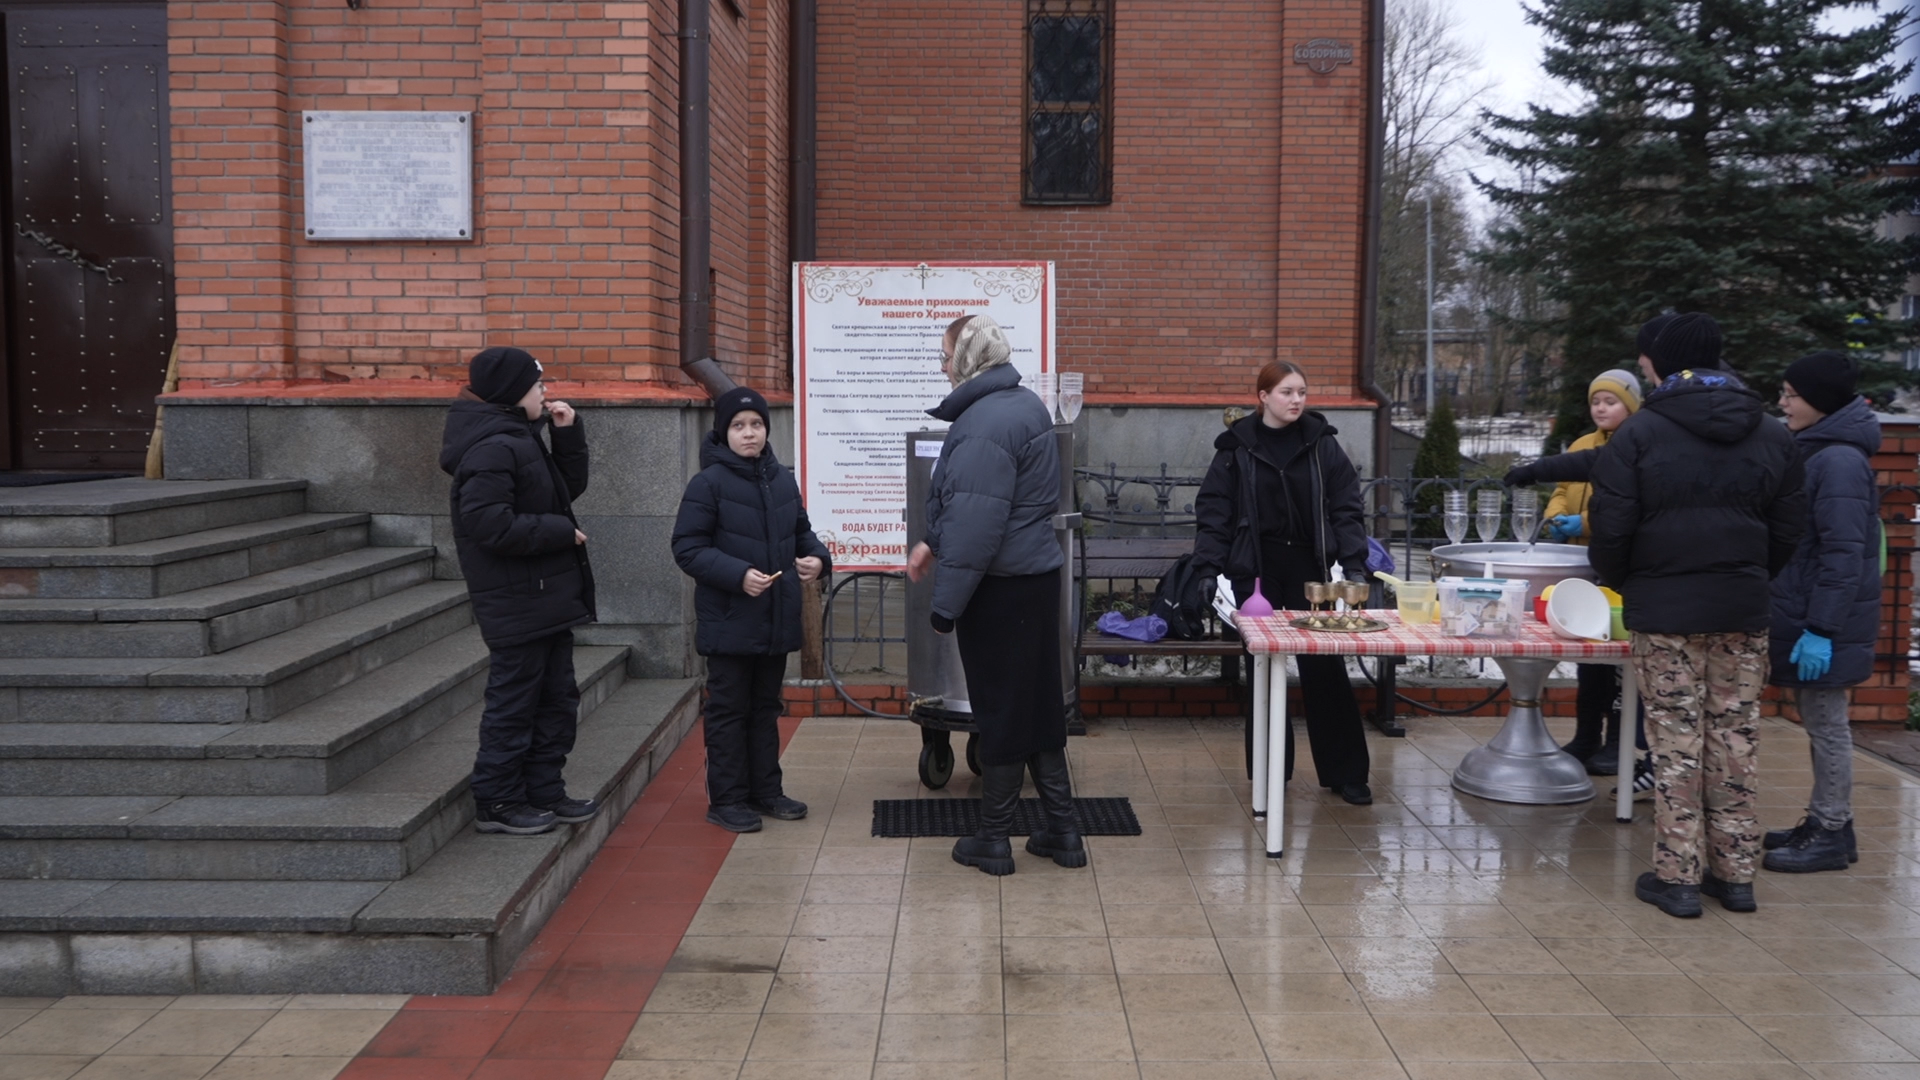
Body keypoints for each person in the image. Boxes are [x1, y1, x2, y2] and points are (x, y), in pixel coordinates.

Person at [1586, 313, 1805, 918]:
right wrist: (1749, 577)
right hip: (1742, 608)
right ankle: (1735, 875)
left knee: (1676, 742)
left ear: (1658, 361)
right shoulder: (1771, 433)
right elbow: (1789, 531)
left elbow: (1611, 527)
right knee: (1735, 739)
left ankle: (1677, 877)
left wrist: (1628, 583)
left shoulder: (1640, 434)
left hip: (1665, 613)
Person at [906, 314, 1081, 876]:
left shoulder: (984, 421)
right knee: (1037, 707)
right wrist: (934, 540)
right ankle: (1063, 832)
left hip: (999, 590)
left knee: (1003, 712)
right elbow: (976, 504)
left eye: (945, 353)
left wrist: (944, 606)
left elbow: (977, 525)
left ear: (968, 357)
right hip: (1032, 581)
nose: (940, 363)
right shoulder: (1022, 403)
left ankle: (994, 839)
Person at [1193, 360, 1374, 805]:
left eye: (1301, 392)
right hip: (1255, 572)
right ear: (1263, 397)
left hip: (1310, 570)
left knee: (1324, 666)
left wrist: (1354, 566)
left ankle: (1345, 772)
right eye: (1287, 392)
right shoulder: (1236, 449)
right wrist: (1205, 568)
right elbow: (1214, 513)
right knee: (1264, 670)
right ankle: (1273, 774)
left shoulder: (1321, 445)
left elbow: (1346, 508)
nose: (1296, 400)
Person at [440, 346, 599, 836]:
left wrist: (566, 434)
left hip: (543, 594)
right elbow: (488, 524)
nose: (545, 391)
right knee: (516, 703)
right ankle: (498, 800)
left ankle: (543, 789)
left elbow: (561, 491)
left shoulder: (518, 437)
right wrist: (557, 532)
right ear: (512, 393)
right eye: (537, 385)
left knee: (555, 699)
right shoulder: (492, 447)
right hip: (516, 598)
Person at [672, 387, 831, 833]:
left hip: (774, 620)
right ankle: (726, 800)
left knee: (765, 708)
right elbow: (687, 548)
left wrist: (817, 559)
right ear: (724, 432)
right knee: (728, 710)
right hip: (729, 620)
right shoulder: (708, 484)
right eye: (739, 426)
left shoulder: (781, 478)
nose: (749, 434)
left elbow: (803, 532)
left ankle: (766, 791)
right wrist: (738, 574)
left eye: (756, 425)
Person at [1762, 351, 1879, 874]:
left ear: (1820, 401)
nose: (1783, 402)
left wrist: (1821, 629)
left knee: (1828, 724)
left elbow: (1842, 552)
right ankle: (1830, 821)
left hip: (1826, 621)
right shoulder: (1821, 451)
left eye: (1791, 394)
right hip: (1815, 615)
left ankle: (1831, 829)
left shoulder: (1839, 461)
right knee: (1819, 721)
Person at [1540, 368, 1643, 777]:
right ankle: (1586, 736)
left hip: (1620, 567)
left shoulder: (1637, 446)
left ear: (1630, 405)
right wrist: (1556, 516)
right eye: (1596, 401)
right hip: (1582, 567)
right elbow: (1562, 488)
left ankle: (1617, 742)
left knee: (1615, 658)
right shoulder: (1583, 444)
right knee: (1588, 658)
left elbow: (1626, 505)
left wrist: (1583, 524)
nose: (1601, 408)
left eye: (1611, 401)